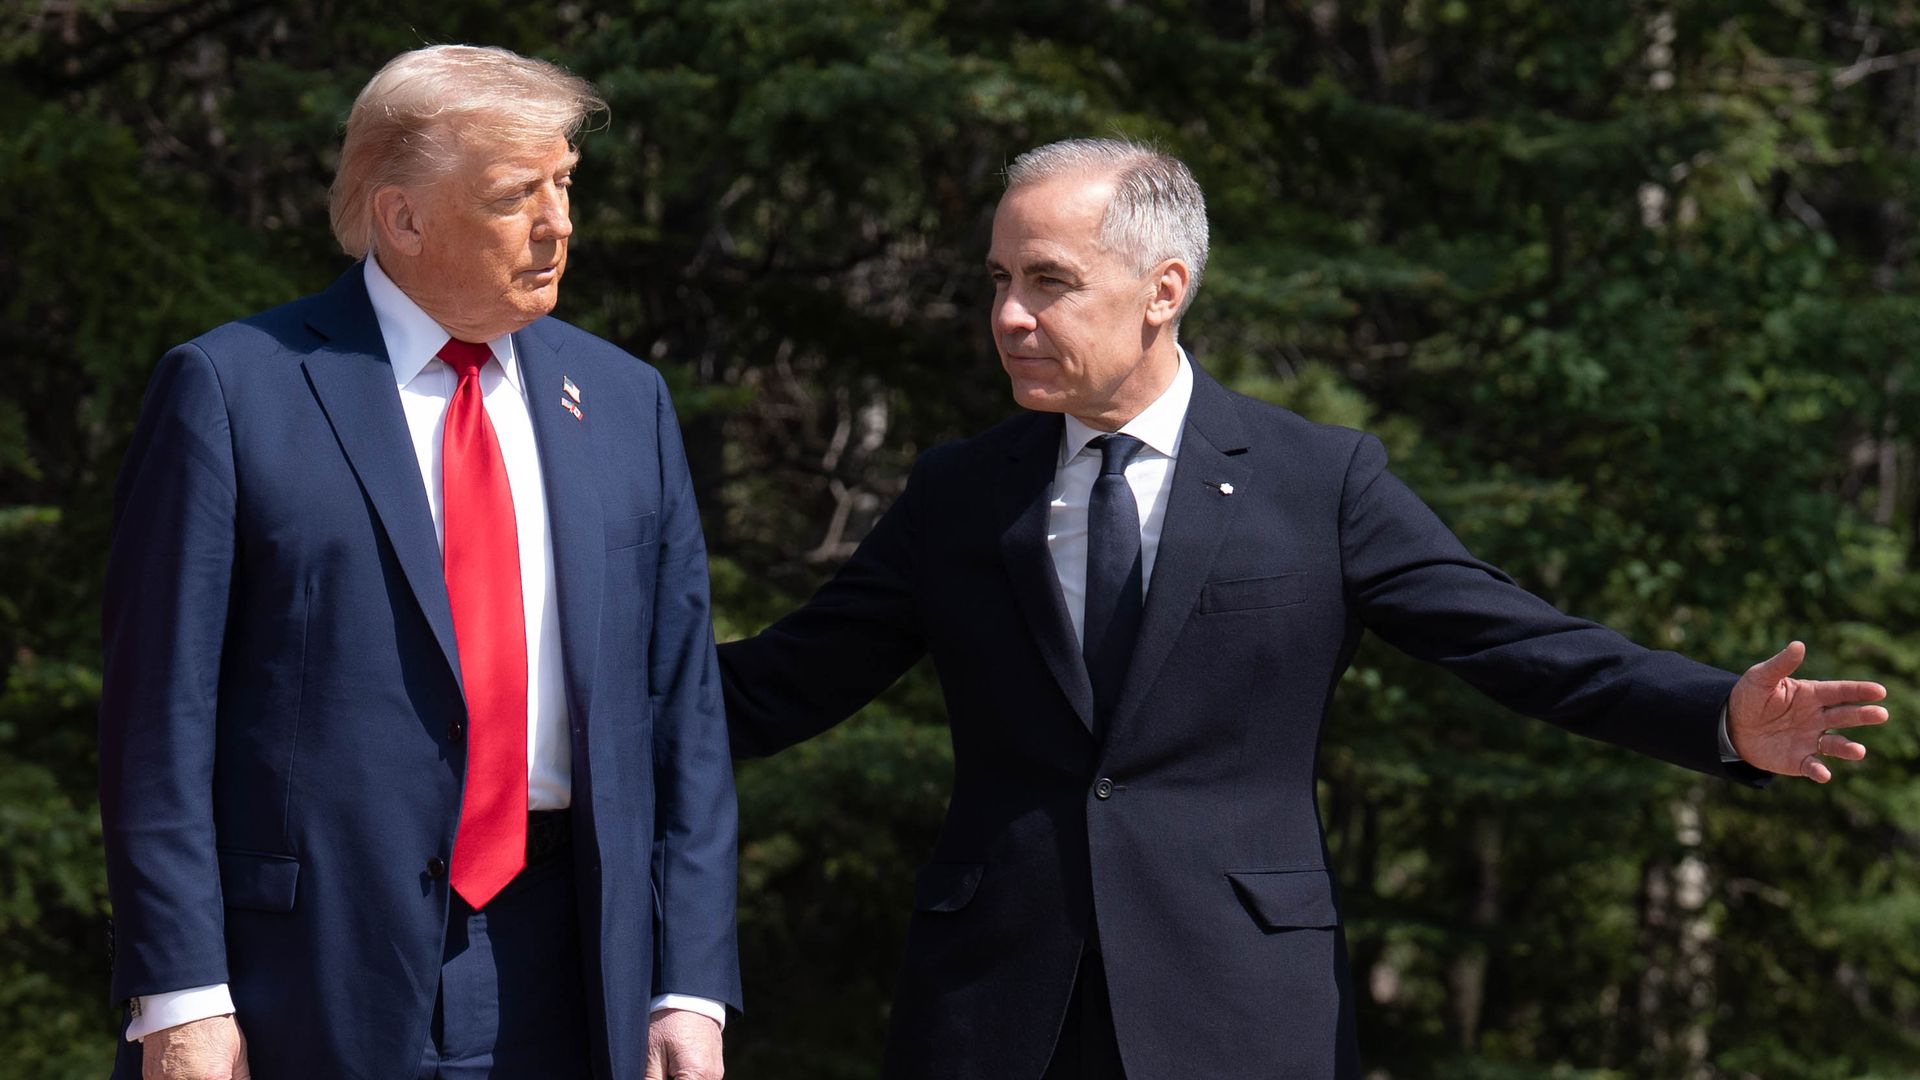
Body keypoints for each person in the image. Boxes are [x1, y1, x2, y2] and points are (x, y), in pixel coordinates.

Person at [717, 138, 1890, 1079]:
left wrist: (1716, 719)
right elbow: (781, 684)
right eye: (1000, 281)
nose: (1011, 316)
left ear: (1163, 290)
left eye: (1049, 283)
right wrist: (562, 698)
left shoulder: (1317, 482)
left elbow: (1517, 644)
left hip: (1238, 1006)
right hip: (993, 1006)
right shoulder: (962, 494)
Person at [98, 45, 737, 1080]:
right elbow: (156, 724)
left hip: (573, 965)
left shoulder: (626, 403)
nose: (558, 224)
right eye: (515, 195)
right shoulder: (231, 389)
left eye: (564, 185)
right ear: (402, 218)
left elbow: (682, 716)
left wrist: (691, 984)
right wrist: (179, 994)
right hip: (305, 973)